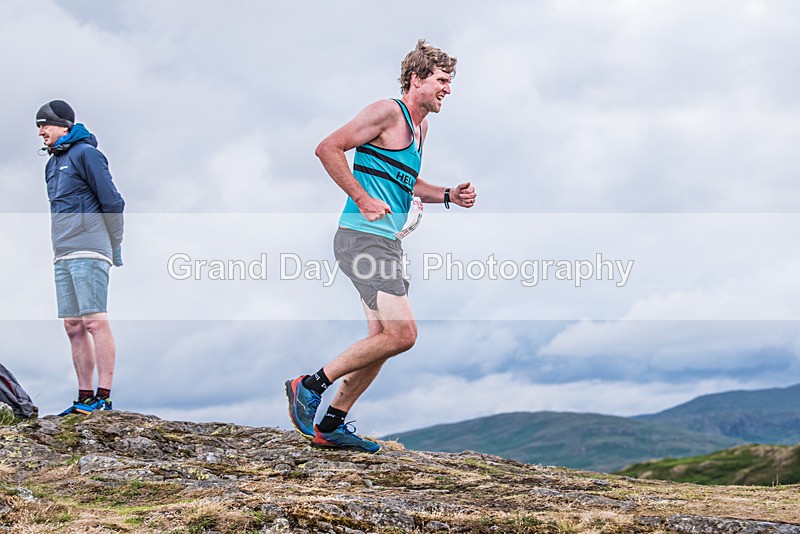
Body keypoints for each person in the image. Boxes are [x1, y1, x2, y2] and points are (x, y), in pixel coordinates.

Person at [286, 40, 477, 452]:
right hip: (363, 237)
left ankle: (331, 424)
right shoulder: (387, 112)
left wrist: (447, 195)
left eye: (450, 82)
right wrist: (360, 196)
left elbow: (409, 185)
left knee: (380, 339)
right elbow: (327, 148)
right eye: (442, 80)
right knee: (403, 334)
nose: (449, 89)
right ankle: (309, 385)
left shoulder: (421, 128)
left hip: (384, 241)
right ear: (417, 79)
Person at [35, 100, 125, 416]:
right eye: (38, 126)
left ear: (65, 126)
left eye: (45, 124)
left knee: (93, 321)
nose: (41, 131)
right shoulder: (51, 165)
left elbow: (113, 201)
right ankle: (85, 398)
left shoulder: (87, 154)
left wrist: (113, 245)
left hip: (90, 246)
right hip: (62, 251)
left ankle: (104, 398)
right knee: (73, 325)